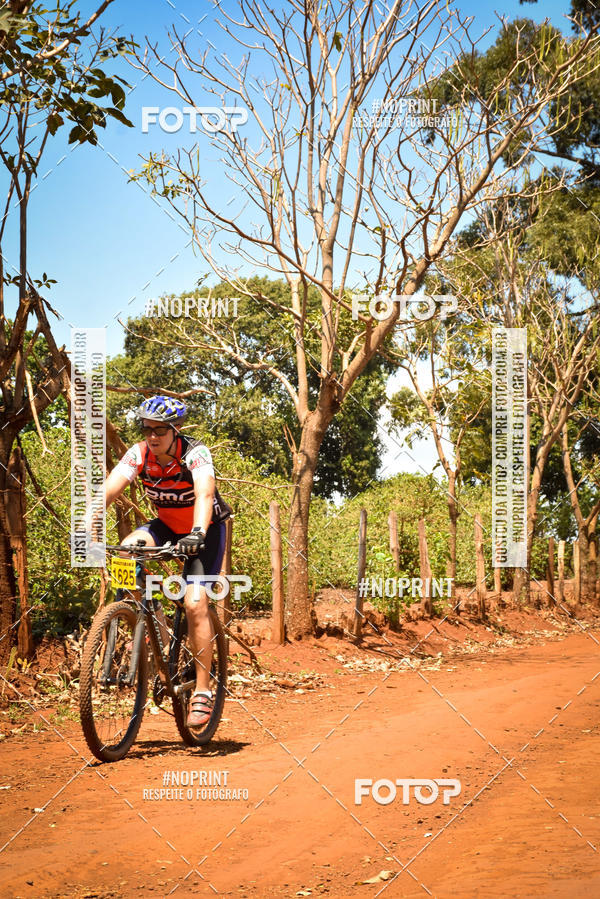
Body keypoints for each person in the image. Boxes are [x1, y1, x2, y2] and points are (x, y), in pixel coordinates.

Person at [90, 395, 231, 728]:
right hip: (166, 527)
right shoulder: (139, 453)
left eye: (160, 431)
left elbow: (205, 495)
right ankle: (152, 624)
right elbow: (110, 488)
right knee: (126, 550)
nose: (152, 437)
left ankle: (201, 691)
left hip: (205, 530)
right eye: (147, 429)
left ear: (176, 429)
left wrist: (197, 531)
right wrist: (87, 520)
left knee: (195, 604)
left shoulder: (195, 453)